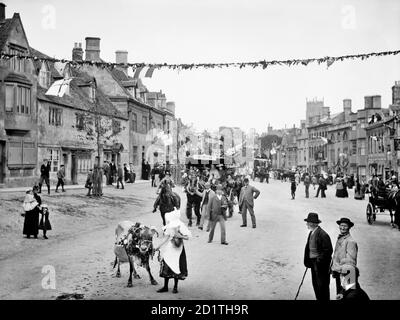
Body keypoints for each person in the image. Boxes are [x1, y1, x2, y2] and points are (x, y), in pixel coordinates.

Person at [154, 210, 191, 294]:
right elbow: (166, 238)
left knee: (176, 265)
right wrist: (158, 246)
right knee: (167, 264)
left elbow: (187, 237)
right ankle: (166, 286)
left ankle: (175, 287)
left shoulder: (181, 225)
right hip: (170, 247)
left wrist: (179, 236)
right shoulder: (169, 226)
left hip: (178, 248)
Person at [303, 212, 333, 300]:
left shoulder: (323, 234)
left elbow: (328, 251)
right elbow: (308, 247)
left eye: (308, 223)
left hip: (321, 266)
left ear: (313, 223)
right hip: (313, 264)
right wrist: (309, 261)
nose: (307, 224)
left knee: (322, 287)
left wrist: (318, 261)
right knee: (316, 286)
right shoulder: (311, 233)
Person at [331, 217, 358, 299]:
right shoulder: (341, 238)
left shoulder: (351, 241)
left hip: (346, 274)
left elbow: (351, 261)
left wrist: (339, 269)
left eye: (345, 226)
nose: (342, 228)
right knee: (339, 295)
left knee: (347, 295)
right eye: (341, 225)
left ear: (349, 227)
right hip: (339, 272)